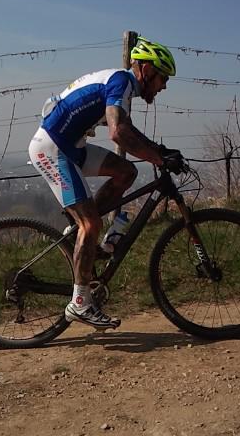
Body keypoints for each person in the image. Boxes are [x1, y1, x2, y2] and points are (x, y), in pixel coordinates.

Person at [28, 36, 183, 329]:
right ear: (147, 69)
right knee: (92, 224)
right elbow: (117, 133)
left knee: (126, 172)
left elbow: (127, 127)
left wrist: (159, 150)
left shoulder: (121, 85)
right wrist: (158, 160)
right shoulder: (120, 82)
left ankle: (79, 234)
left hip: (70, 146)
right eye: (163, 78)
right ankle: (80, 303)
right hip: (53, 149)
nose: (164, 86)